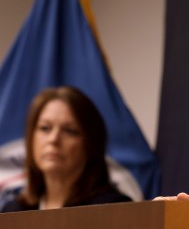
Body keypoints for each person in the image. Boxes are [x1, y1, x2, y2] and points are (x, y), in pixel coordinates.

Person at [1, 86, 131, 212]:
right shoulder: (13, 211)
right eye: (45, 128)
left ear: (90, 144)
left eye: (70, 131)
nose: (53, 139)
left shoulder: (112, 209)